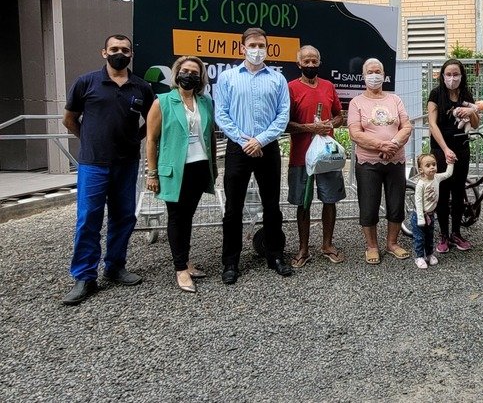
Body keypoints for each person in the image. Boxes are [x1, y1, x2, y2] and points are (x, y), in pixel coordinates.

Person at [60, 34, 155, 305]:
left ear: (130, 55)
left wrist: (135, 138)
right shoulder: (86, 82)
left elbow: (152, 120)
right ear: (104, 52)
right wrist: (89, 139)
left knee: (123, 217)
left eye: (125, 50)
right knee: (88, 218)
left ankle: (115, 266)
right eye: (114, 49)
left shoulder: (141, 87)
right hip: (93, 164)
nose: (120, 53)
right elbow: (69, 119)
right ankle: (84, 276)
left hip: (126, 164)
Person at [213, 27, 291, 283]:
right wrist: (244, 139)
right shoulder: (227, 78)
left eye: (262, 45)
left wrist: (261, 139)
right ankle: (231, 262)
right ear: (242, 48)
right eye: (253, 45)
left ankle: (275, 255)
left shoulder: (277, 79)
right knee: (233, 208)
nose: (257, 50)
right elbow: (221, 114)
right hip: (239, 147)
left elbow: (283, 115)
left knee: (272, 206)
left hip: (267, 147)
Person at [144, 56, 217, 293]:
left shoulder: (205, 102)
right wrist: (152, 173)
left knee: (188, 217)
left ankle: (185, 261)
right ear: (177, 74)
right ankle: (180, 269)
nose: (189, 75)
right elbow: (152, 140)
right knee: (176, 217)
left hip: (198, 167)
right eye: (185, 71)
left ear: (200, 78)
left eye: (194, 73)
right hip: (175, 170)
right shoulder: (162, 102)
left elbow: (210, 137)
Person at [347, 57, 413, 265]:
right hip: (368, 162)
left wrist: (392, 144)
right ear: (364, 76)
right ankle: (372, 246)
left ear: (384, 75)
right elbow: (355, 133)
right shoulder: (356, 102)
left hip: (396, 160)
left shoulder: (395, 99)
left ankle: (392, 243)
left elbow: (406, 126)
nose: (374, 75)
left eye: (378, 71)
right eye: (370, 72)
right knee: (369, 205)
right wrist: (380, 146)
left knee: (396, 203)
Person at [286, 45, 347, 268]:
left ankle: (327, 245)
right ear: (299, 63)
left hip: (327, 157)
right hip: (301, 156)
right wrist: (308, 127)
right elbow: (285, 124)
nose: (310, 65)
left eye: (314, 61)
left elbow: (339, 116)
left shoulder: (329, 86)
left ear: (319, 63)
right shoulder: (291, 88)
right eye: (306, 61)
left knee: (329, 200)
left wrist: (329, 124)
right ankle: (303, 248)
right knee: (303, 203)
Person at [426, 59, 480, 253]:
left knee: (458, 191)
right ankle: (443, 235)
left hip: (462, 149)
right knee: (442, 192)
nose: (452, 78)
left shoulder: (465, 94)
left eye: (455, 74)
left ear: (462, 76)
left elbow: (475, 124)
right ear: (442, 76)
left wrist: (471, 110)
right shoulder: (436, 94)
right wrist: (445, 149)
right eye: (448, 74)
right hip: (441, 150)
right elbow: (432, 124)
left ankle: (456, 233)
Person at [411, 153, 455, 269]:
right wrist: (420, 217)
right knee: (419, 237)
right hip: (419, 215)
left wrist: (450, 163)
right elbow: (418, 202)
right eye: (428, 165)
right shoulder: (421, 184)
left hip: (430, 215)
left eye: (434, 164)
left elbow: (448, 174)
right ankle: (419, 257)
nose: (432, 167)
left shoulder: (437, 177)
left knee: (429, 235)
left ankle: (429, 254)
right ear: (421, 169)